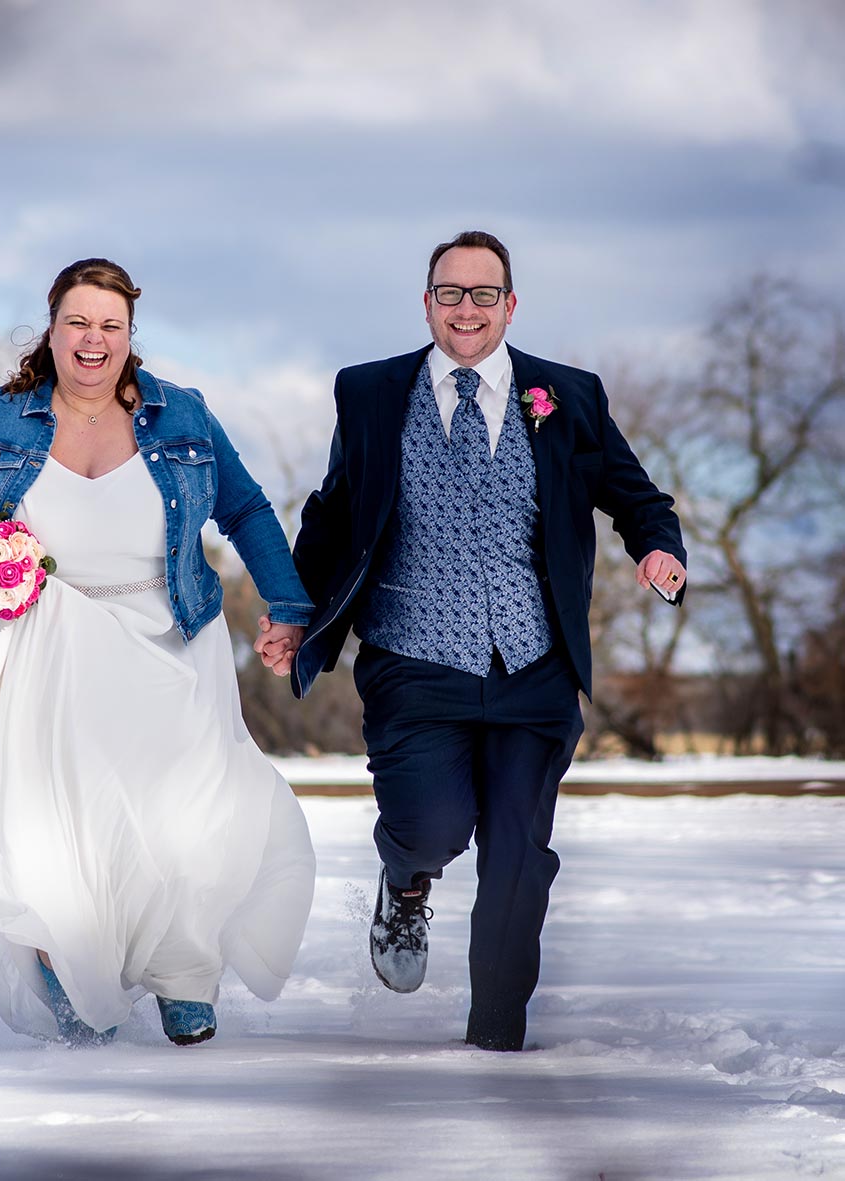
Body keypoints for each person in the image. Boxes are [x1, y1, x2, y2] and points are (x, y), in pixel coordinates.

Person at [283, 231, 686, 1051]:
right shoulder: (366, 392)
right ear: (425, 300)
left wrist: (659, 546)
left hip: (533, 665)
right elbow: (331, 512)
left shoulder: (568, 395)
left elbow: (635, 496)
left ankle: (495, 1034)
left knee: (515, 855)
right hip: (411, 656)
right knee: (432, 825)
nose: (465, 309)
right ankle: (405, 879)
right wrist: (295, 608)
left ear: (510, 302)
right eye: (449, 292)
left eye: (482, 293)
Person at [0, 258, 315, 1049]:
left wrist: (287, 607)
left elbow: (247, 508)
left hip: (167, 637)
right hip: (40, 643)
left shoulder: (182, 415)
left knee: (182, 812)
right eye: (78, 323)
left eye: (110, 325)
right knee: (58, 819)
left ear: (130, 335)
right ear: (50, 330)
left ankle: (183, 975)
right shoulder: (4, 417)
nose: (94, 340)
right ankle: (65, 965)